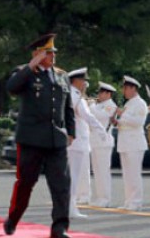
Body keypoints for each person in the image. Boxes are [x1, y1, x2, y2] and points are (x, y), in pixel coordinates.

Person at [4, 33, 75, 238]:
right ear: (37, 54)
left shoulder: (62, 75)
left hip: (56, 139)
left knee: (61, 184)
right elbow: (12, 87)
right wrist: (30, 65)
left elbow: (67, 107)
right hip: (31, 139)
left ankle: (59, 228)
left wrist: (71, 132)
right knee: (26, 183)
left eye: (54, 52)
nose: (53, 56)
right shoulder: (25, 73)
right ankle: (14, 218)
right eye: (48, 52)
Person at [66, 68, 107, 218]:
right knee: (74, 177)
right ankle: (71, 208)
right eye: (83, 80)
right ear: (76, 81)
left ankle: (69, 206)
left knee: (70, 176)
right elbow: (87, 116)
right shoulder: (76, 96)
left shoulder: (69, 94)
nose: (85, 83)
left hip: (73, 141)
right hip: (77, 141)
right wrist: (101, 130)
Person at [114, 76, 148, 211]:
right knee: (127, 174)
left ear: (133, 88)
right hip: (125, 142)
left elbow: (138, 122)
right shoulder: (129, 103)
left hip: (135, 143)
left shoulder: (140, 103)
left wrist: (123, 115)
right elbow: (126, 123)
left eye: (126, 88)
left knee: (134, 173)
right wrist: (117, 122)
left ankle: (136, 201)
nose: (124, 91)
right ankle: (129, 200)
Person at [89, 82, 118, 208]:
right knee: (97, 171)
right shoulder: (98, 105)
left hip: (104, 142)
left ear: (108, 94)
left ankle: (105, 198)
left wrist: (90, 106)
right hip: (95, 141)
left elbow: (98, 116)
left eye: (101, 92)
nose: (99, 95)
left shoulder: (110, 106)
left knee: (103, 171)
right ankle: (100, 197)